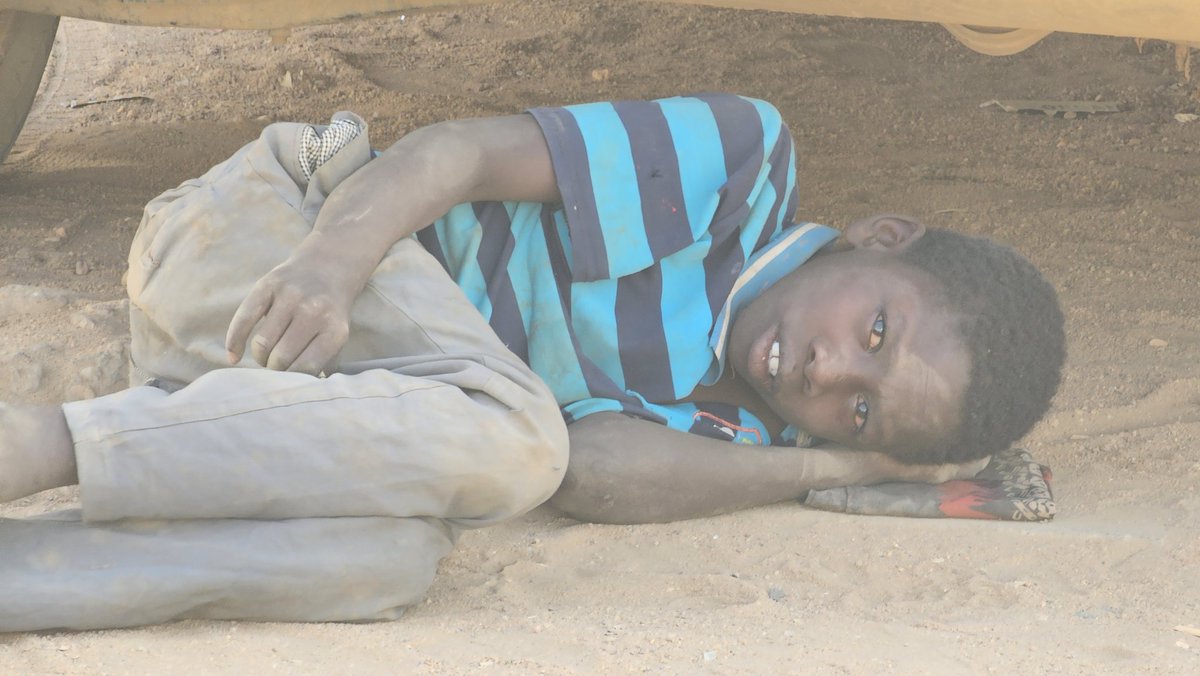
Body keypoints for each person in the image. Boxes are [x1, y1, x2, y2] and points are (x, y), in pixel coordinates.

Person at [0, 94, 1065, 632]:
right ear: (882, 238)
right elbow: (460, 151)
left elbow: (593, 471)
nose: (831, 373)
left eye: (863, 413)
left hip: (274, 395)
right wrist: (328, 265)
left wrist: (832, 470)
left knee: (386, 565)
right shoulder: (743, 167)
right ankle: (30, 445)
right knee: (514, 440)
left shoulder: (748, 435)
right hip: (278, 241)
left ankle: (29, 577)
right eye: (874, 331)